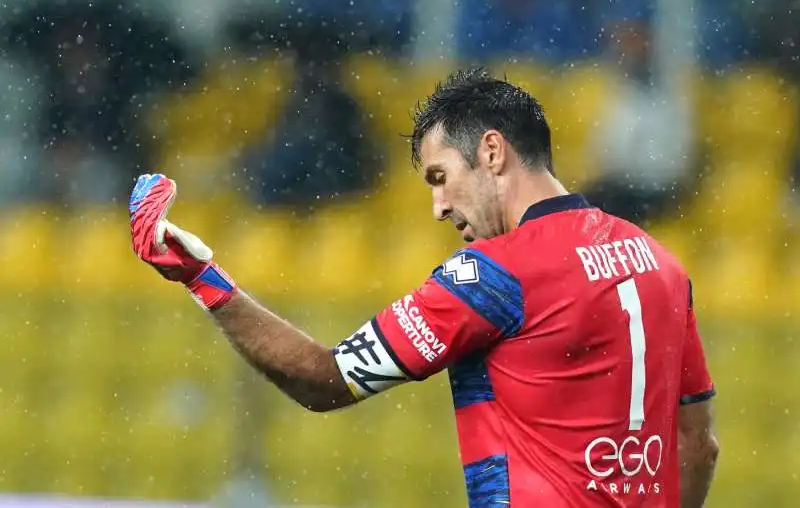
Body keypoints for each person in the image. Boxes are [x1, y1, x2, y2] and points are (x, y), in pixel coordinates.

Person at [129, 68, 719, 507]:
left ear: (491, 151)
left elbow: (324, 381)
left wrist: (201, 278)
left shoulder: (495, 274)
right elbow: (699, 446)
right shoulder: (658, 262)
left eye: (441, 178)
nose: (438, 208)